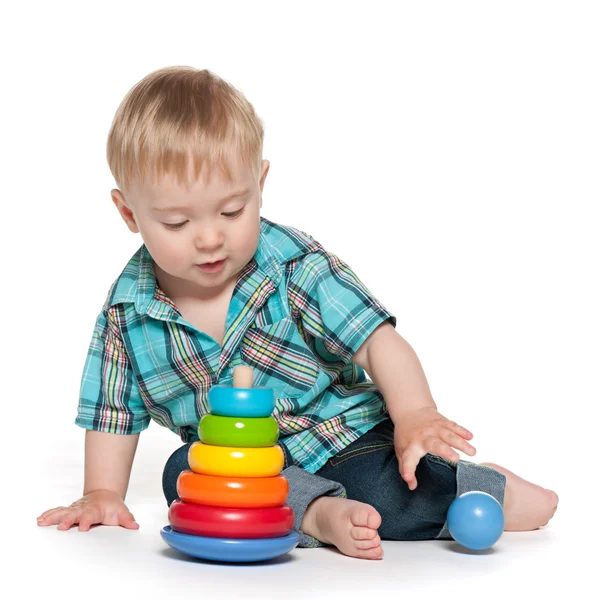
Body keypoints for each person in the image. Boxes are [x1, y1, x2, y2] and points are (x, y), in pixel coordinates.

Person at [37, 66, 558, 559]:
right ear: (129, 213)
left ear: (260, 184)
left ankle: (485, 490)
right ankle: (318, 514)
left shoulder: (294, 267)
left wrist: (415, 413)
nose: (210, 237)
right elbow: (112, 414)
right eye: (176, 223)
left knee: (389, 490)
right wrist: (100, 491)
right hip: (242, 466)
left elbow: (376, 340)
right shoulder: (127, 313)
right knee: (180, 474)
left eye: (233, 210)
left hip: (341, 438)